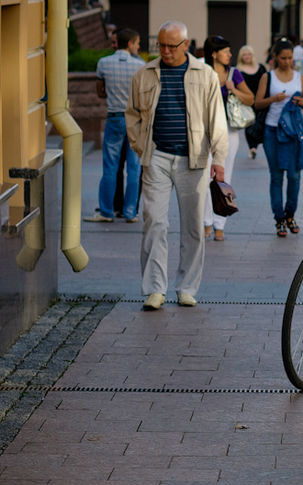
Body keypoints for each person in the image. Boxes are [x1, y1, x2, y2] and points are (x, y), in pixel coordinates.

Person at [125, 20, 228, 310]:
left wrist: (218, 159)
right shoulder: (144, 74)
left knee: (193, 226)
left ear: (186, 45)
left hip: (192, 158)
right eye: (161, 45)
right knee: (155, 221)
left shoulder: (204, 74)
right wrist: (139, 145)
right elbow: (131, 113)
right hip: (155, 155)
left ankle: (186, 287)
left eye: (172, 46)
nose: (166, 51)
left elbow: (216, 120)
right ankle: (155, 289)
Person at [254, 38, 303, 237]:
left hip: (293, 133)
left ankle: (290, 214)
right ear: (275, 58)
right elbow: (257, 103)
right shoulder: (268, 77)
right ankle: (279, 218)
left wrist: (301, 101)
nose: (287, 61)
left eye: (290, 58)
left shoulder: (300, 77)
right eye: (283, 58)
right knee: (277, 176)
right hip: (272, 131)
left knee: (295, 176)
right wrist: (274, 99)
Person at [86, 28, 145, 224]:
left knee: (110, 167)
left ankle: (106, 211)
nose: (138, 46)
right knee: (134, 168)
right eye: (136, 43)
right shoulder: (140, 65)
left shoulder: (103, 63)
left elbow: (100, 92)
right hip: (135, 120)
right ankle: (130, 212)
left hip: (114, 118)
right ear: (129, 44)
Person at [201, 35, 254, 242]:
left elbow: (250, 99)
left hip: (229, 132)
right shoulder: (203, 73)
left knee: (223, 178)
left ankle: (219, 224)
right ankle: (206, 222)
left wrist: (233, 89)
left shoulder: (234, 74)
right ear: (214, 54)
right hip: (204, 132)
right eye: (225, 51)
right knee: (204, 179)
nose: (230, 55)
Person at [236, 45, 266, 159]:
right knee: (249, 124)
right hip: (247, 101)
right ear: (241, 57)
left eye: (248, 54)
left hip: (261, 100)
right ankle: (252, 147)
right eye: (244, 54)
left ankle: (259, 142)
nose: (247, 56)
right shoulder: (238, 70)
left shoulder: (261, 67)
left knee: (261, 122)